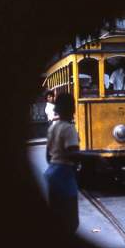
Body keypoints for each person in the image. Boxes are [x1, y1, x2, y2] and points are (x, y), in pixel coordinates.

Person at [44, 93, 80, 236]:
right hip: (65, 174)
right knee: (72, 221)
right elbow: (73, 153)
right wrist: (96, 157)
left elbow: (48, 156)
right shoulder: (69, 128)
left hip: (52, 172)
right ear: (72, 108)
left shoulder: (53, 127)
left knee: (57, 216)